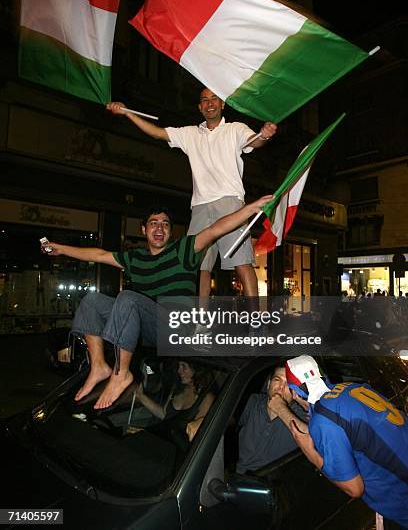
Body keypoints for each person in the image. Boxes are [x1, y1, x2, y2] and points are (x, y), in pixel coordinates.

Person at [41, 194, 273, 410]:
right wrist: (60, 248)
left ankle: (121, 374)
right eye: (153, 223)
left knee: (128, 298)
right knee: (92, 300)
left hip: (176, 327)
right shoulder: (136, 259)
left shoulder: (182, 250)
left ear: (170, 232)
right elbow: (98, 255)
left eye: (165, 224)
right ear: (143, 229)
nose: (159, 228)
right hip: (148, 328)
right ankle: (99, 366)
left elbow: (215, 229)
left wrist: (250, 209)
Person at [106, 89, 277, 297]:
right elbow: (157, 132)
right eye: (204, 100)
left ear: (222, 104)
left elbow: (253, 141)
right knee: (198, 267)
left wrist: (264, 136)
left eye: (214, 99)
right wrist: (127, 113)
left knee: (241, 262)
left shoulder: (235, 129)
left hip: (229, 202)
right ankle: (200, 324)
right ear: (199, 107)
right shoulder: (190, 133)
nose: (209, 103)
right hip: (199, 206)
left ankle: (255, 324)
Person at [268, 355, 408, 528]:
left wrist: (310, 452)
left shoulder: (324, 420)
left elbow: (354, 489)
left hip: (401, 501)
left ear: (294, 391)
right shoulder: (351, 388)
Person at [236, 365, 307, 475]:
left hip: (274, 483)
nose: (280, 387)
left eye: (288, 383)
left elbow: (313, 439)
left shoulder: (300, 415)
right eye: (277, 379)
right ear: (269, 384)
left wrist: (281, 409)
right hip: (238, 475)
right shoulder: (254, 402)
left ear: (295, 392)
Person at [130, 359, 215, 442]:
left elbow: (195, 437)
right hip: (160, 441)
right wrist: (140, 396)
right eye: (178, 366)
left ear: (197, 369)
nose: (179, 370)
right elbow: (165, 415)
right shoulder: (177, 388)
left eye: (184, 366)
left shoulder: (206, 398)